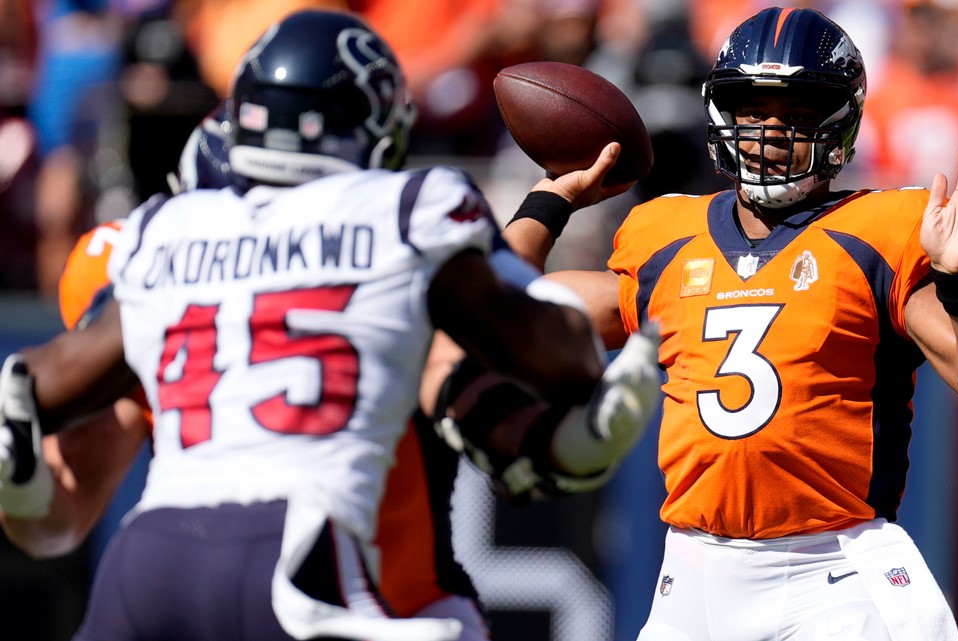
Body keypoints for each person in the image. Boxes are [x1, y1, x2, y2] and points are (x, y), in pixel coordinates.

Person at [0, 9, 660, 641]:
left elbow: (46, 405)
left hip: (150, 559)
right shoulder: (401, 213)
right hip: (312, 549)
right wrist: (565, 425)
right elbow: (512, 340)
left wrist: (19, 452)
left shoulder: (158, 235)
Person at [502, 6, 958, 641]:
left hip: (836, 571)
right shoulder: (665, 234)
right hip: (694, 569)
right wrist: (551, 198)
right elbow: (508, 309)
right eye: (752, 108)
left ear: (841, 121)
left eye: (798, 109)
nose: (772, 130)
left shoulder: (877, 233)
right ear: (721, 113)